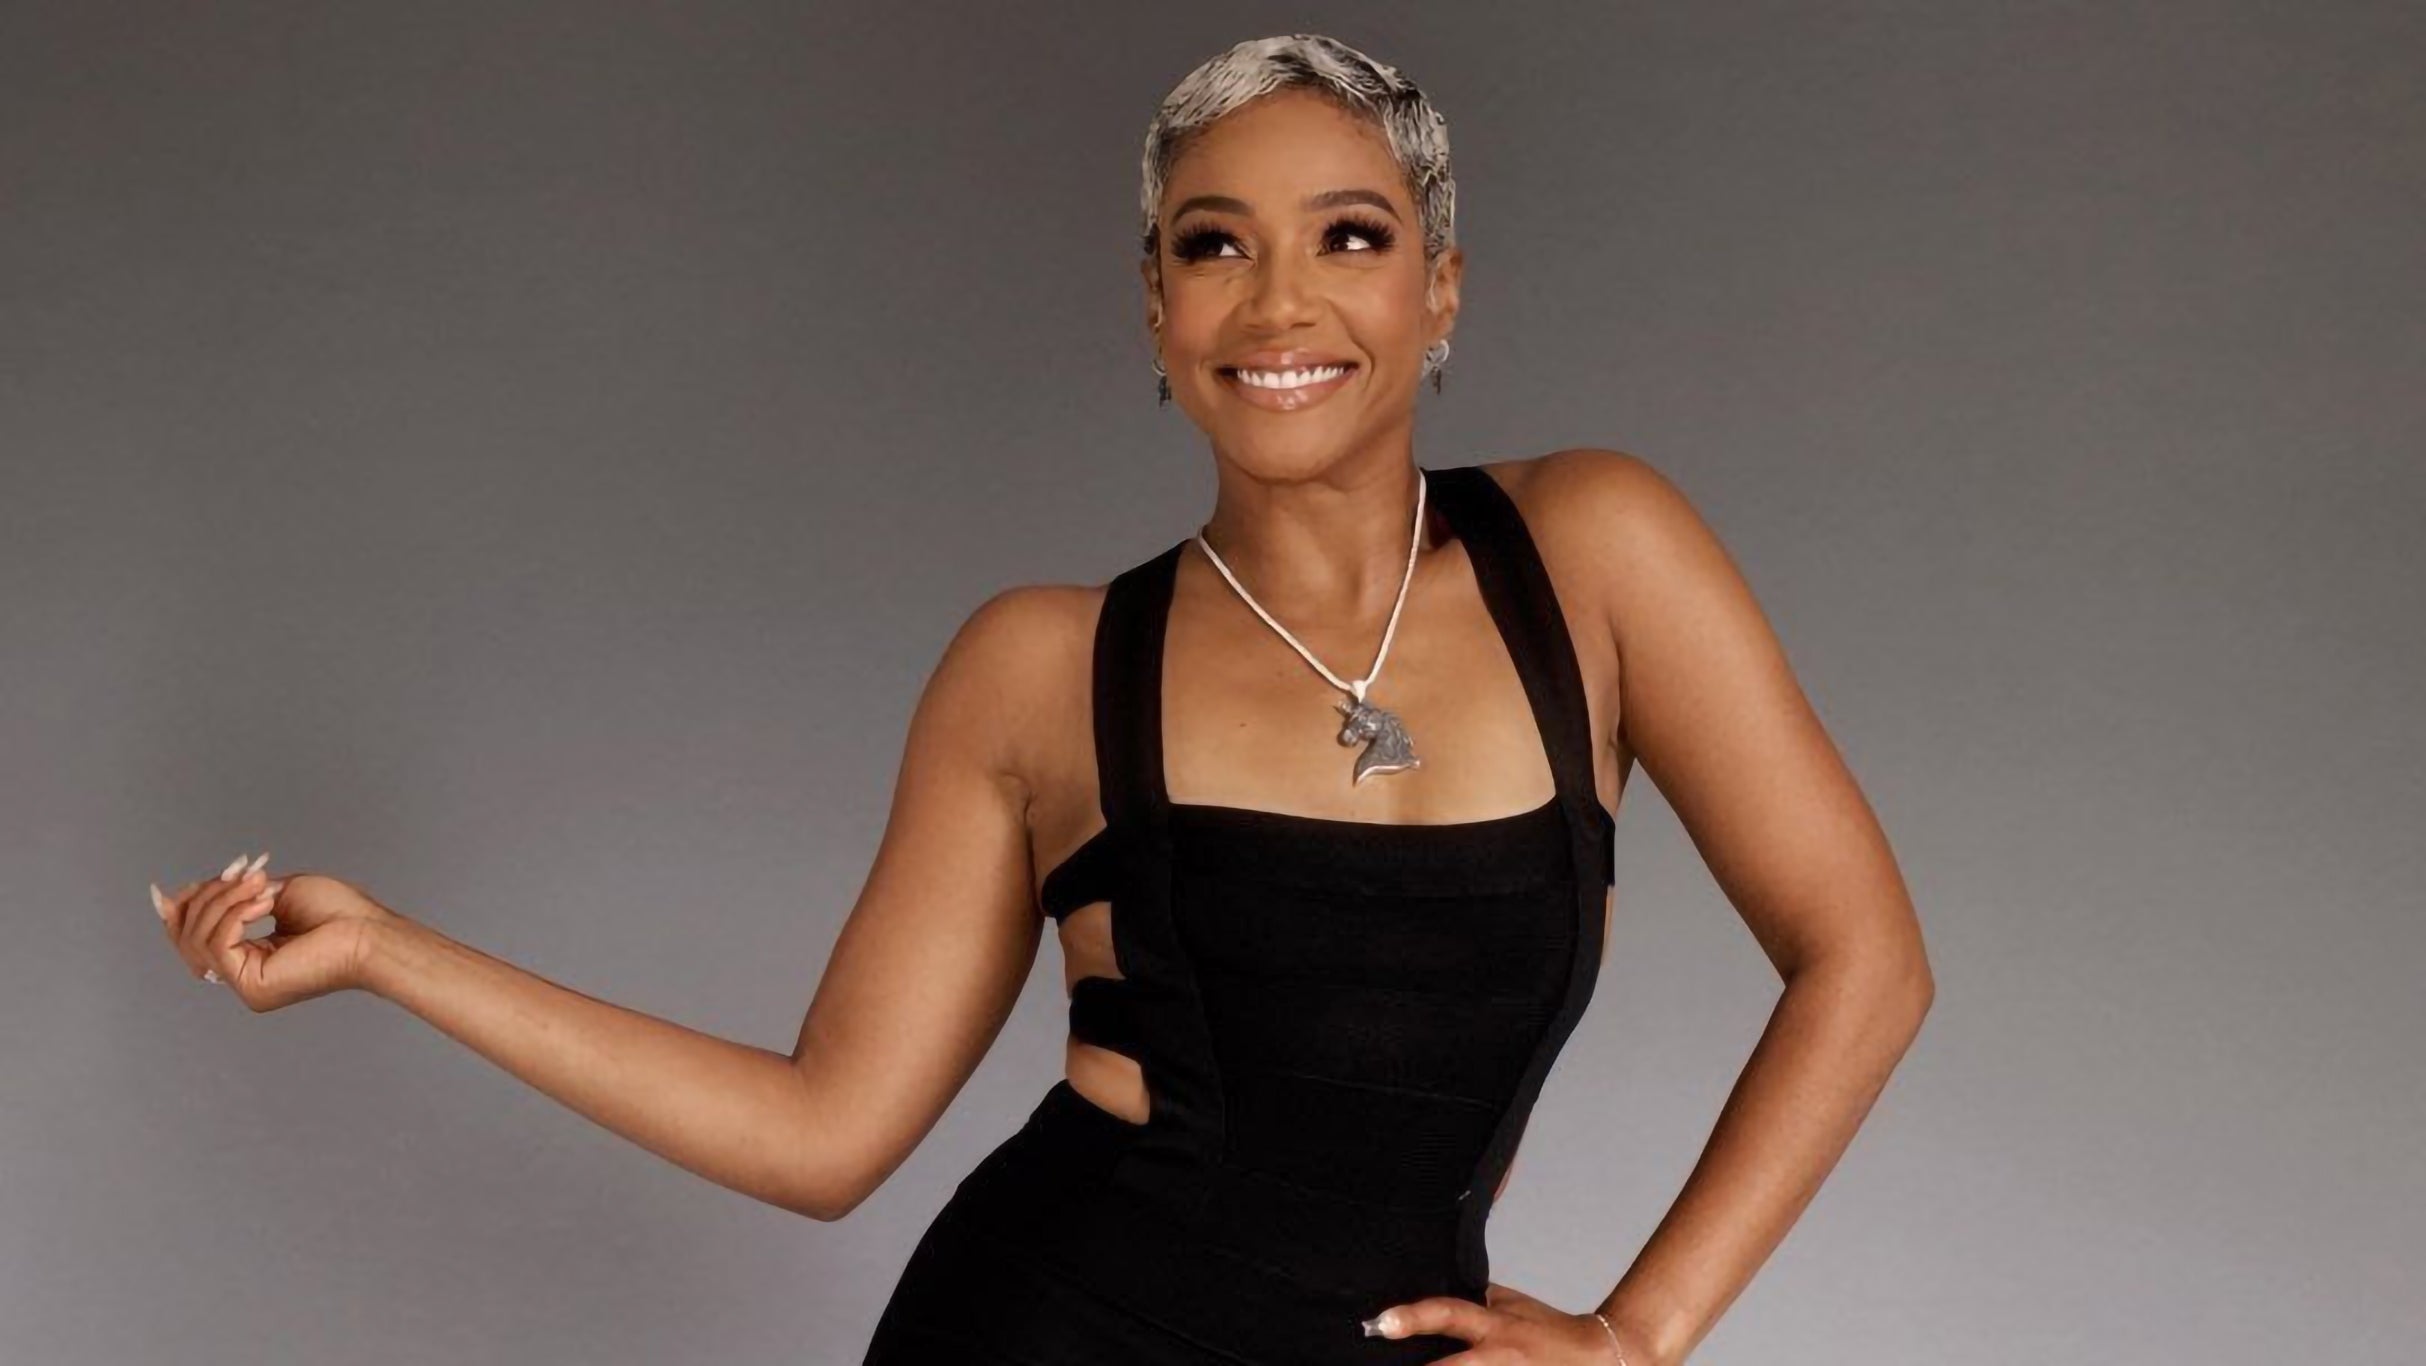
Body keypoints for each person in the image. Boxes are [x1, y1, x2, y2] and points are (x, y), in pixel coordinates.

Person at [152, 33, 1934, 1366]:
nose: (1280, 301)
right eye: (1213, 246)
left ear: (1440, 288)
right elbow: (823, 1132)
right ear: (1155, 310)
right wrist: (388, 952)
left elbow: (1862, 955)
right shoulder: (1042, 666)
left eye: (1348, 235)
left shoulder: (1596, 553)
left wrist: (1636, 1333)